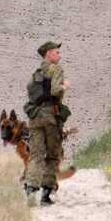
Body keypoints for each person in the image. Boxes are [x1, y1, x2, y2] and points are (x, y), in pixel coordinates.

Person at [23, 41, 71, 206]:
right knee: (52, 155)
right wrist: (64, 86)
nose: (59, 55)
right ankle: (46, 192)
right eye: (56, 52)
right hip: (50, 116)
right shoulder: (56, 69)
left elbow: (30, 90)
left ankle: (30, 188)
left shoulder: (36, 73)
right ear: (48, 54)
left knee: (36, 155)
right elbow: (55, 90)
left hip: (35, 117)